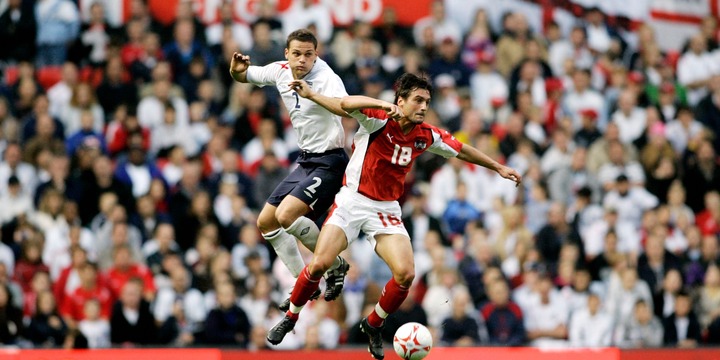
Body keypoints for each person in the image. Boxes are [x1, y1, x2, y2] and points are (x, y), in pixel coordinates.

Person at [266, 73, 521, 359]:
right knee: (319, 265)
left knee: (406, 274)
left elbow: (461, 150)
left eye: (427, 101)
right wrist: (313, 95)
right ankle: (291, 317)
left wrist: (498, 167)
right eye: (418, 100)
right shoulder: (379, 118)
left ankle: (373, 324)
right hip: (352, 201)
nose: (424, 107)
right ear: (401, 101)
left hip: (386, 209)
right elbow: (345, 104)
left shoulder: (426, 135)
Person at [229, 28, 351, 306]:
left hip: (331, 161)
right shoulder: (281, 71)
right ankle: (304, 283)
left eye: (308, 55)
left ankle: (335, 265)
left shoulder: (326, 77)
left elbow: (346, 107)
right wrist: (236, 70)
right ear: (286, 53)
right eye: (296, 54)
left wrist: (313, 95)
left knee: (286, 215)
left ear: (316, 55)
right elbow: (243, 75)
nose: (302, 60)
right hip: (307, 160)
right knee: (265, 222)